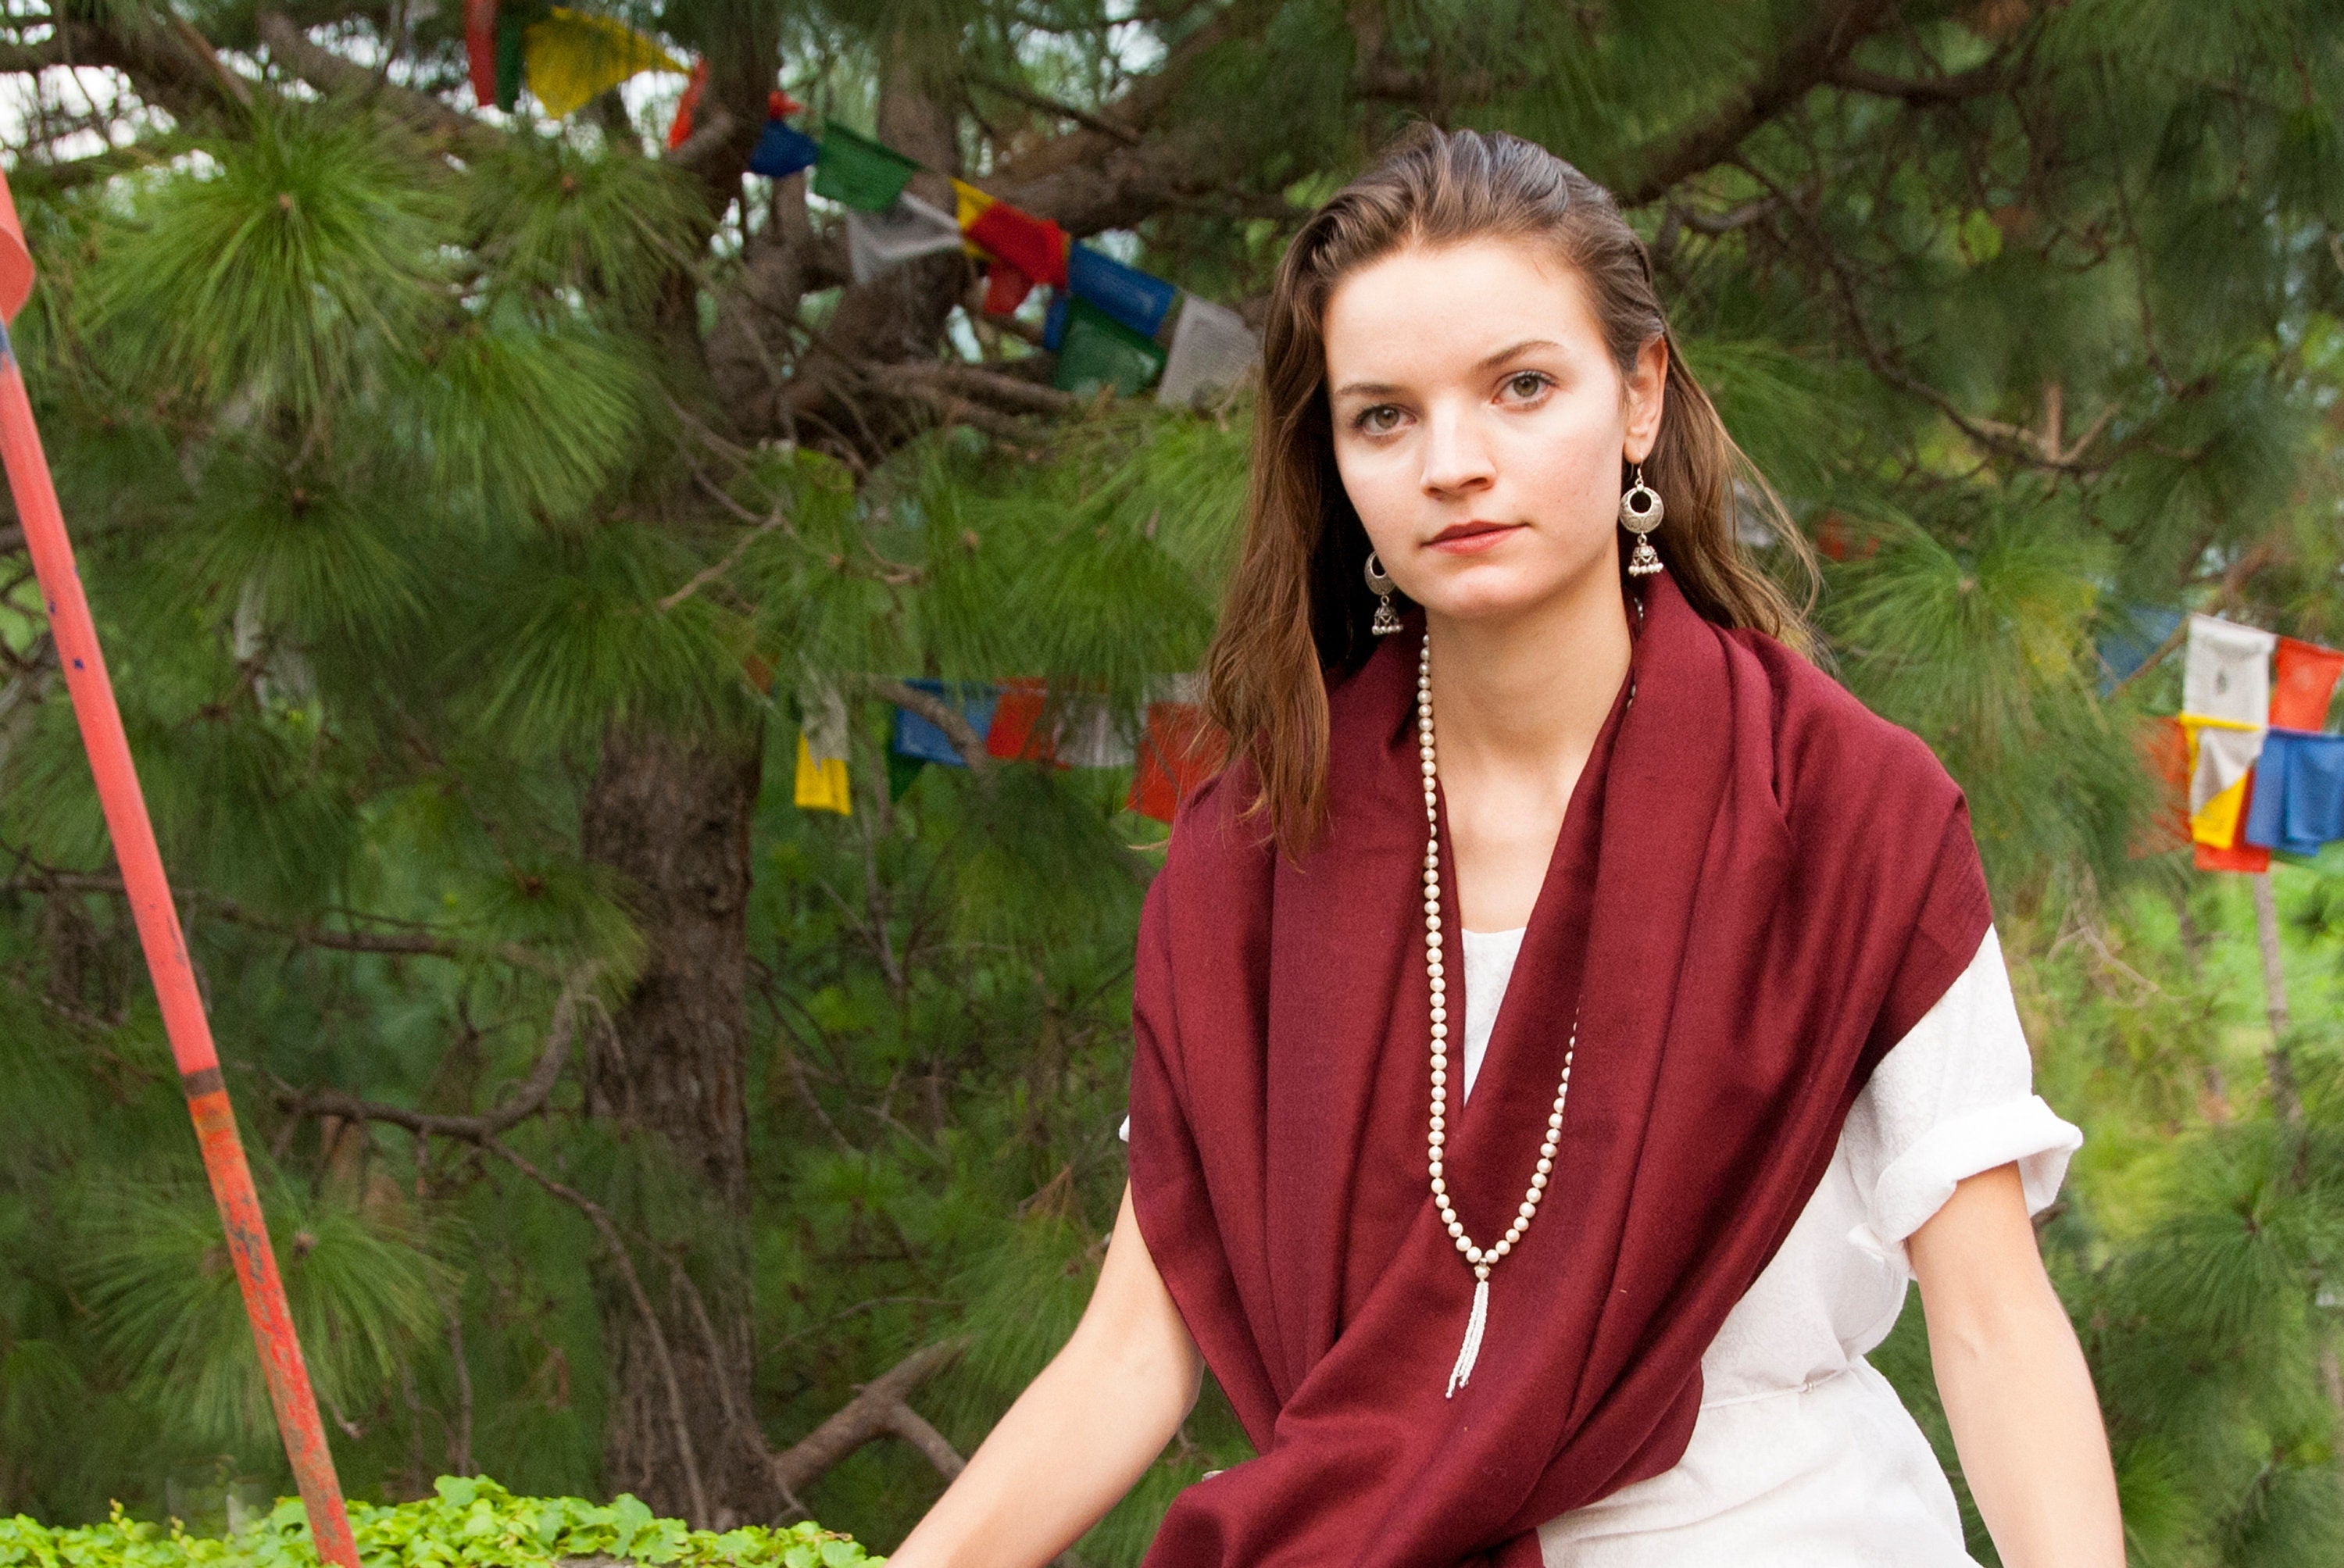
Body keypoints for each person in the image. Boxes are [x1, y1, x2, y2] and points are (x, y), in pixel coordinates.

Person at [889, 125, 2123, 1568]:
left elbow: (1989, 1319)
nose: (1455, 464)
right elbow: (1125, 1356)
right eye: (1384, 417)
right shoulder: (1256, 846)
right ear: (1334, 458)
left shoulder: (1845, 809)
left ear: (1641, 393)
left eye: (1521, 387)